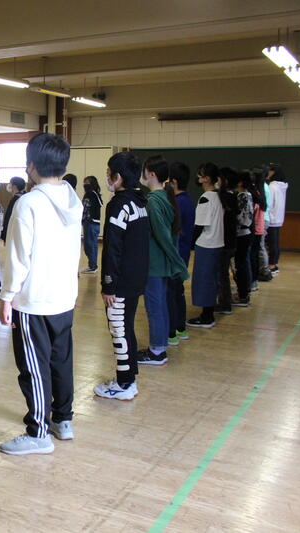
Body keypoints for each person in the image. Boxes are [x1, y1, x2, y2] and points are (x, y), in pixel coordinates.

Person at [0, 133, 82, 455]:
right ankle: (63, 419)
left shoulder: (28, 203)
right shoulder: (72, 199)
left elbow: (19, 256)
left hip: (34, 300)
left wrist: (7, 296)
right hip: (64, 295)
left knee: (34, 366)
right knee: (61, 361)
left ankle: (38, 433)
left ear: (31, 165)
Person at [93, 151, 149, 401]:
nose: (107, 177)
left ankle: (125, 384)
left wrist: (109, 284)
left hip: (121, 282)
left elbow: (113, 247)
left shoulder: (119, 204)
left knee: (119, 329)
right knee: (126, 326)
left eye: (109, 173)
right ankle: (129, 375)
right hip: (136, 278)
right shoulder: (140, 202)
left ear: (118, 177)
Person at [137, 156, 188, 366]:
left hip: (155, 264)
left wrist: (178, 264)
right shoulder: (165, 197)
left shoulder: (153, 201)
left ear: (151, 174)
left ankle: (157, 351)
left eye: (144, 172)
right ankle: (161, 345)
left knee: (155, 307)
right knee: (161, 305)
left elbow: (163, 236)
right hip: (161, 264)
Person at [186, 163, 224, 328]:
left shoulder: (206, 198)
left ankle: (207, 316)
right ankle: (208, 311)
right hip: (217, 243)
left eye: (200, 175)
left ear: (207, 178)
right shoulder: (219, 196)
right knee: (211, 279)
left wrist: (190, 244)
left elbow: (199, 225)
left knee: (204, 280)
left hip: (206, 244)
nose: (198, 178)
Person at [166, 162, 195, 345]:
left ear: (173, 182)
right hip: (182, 254)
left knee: (171, 293)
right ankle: (180, 328)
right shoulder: (188, 200)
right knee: (178, 292)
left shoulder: (178, 202)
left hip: (176, 255)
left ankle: (172, 332)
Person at [216, 167, 239, 315]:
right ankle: (225, 300)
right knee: (224, 273)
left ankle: (225, 303)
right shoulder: (232, 197)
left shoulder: (226, 198)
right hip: (229, 241)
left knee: (222, 274)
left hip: (225, 242)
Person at [233, 170, 254, 306]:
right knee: (243, 263)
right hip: (246, 233)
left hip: (241, 234)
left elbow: (239, 217)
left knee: (241, 265)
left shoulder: (241, 196)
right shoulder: (248, 194)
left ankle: (243, 295)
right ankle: (244, 292)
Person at [249, 167, 272, 289]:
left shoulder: (257, 192)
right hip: (260, 224)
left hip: (257, 225)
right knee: (257, 251)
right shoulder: (260, 190)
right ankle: (258, 275)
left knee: (257, 251)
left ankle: (263, 271)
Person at [266, 163, 289, 275]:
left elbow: (269, 204)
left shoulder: (272, 186)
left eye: (269, 170)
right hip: (278, 218)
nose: (267, 173)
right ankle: (274, 264)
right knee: (275, 243)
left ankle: (272, 265)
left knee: (271, 243)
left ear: (274, 172)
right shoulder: (281, 186)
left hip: (271, 219)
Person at [80, 176, 104, 274]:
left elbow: (84, 209)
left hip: (90, 222)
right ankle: (92, 265)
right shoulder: (96, 194)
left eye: (86, 182)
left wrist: (81, 219)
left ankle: (93, 266)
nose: (84, 185)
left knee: (89, 245)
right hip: (95, 223)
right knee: (92, 245)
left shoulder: (90, 194)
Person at [1, 177, 26, 244]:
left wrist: (5, 235)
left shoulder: (15, 199)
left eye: (10, 184)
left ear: (14, 186)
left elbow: (8, 217)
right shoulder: (25, 197)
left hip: (13, 232)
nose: (8, 185)